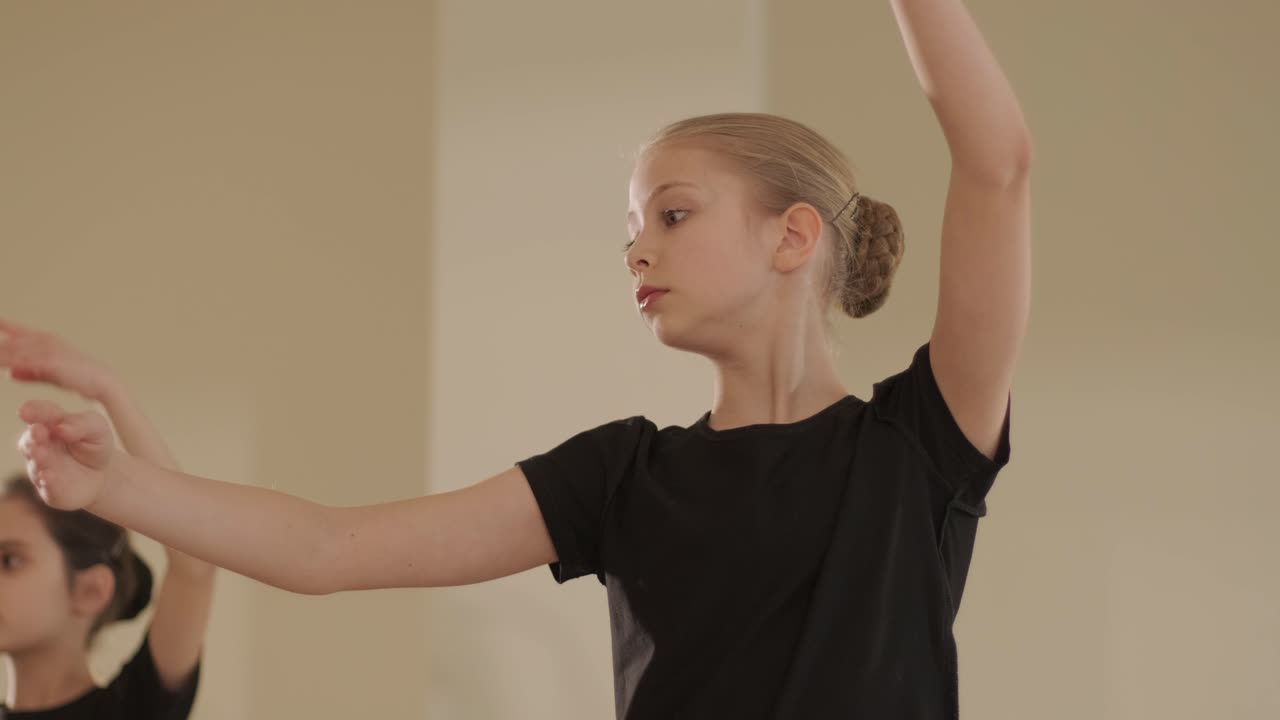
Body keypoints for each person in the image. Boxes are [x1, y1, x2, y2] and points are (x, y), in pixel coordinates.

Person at [11, 1, 1031, 716]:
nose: (637, 249)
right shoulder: (622, 477)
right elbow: (329, 550)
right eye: (631, 227)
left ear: (792, 236)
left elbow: (995, 164)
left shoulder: (917, 445)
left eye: (672, 216)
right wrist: (121, 486)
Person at [0, 325, 213, 719]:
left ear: (90, 591)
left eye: (10, 561)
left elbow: (196, 563)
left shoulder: (135, 708)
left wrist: (108, 391)